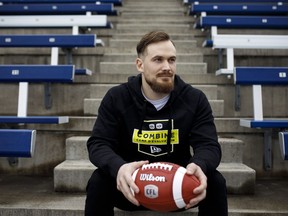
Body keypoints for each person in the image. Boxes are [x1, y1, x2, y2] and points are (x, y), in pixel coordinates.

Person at [85, 31, 228, 216]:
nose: (167, 67)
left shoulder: (194, 99)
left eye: (172, 60)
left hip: (178, 190)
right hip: (131, 190)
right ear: (140, 65)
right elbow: (98, 143)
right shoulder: (117, 97)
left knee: (215, 181)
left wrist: (199, 164)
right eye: (158, 60)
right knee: (98, 181)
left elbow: (208, 144)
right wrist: (119, 168)